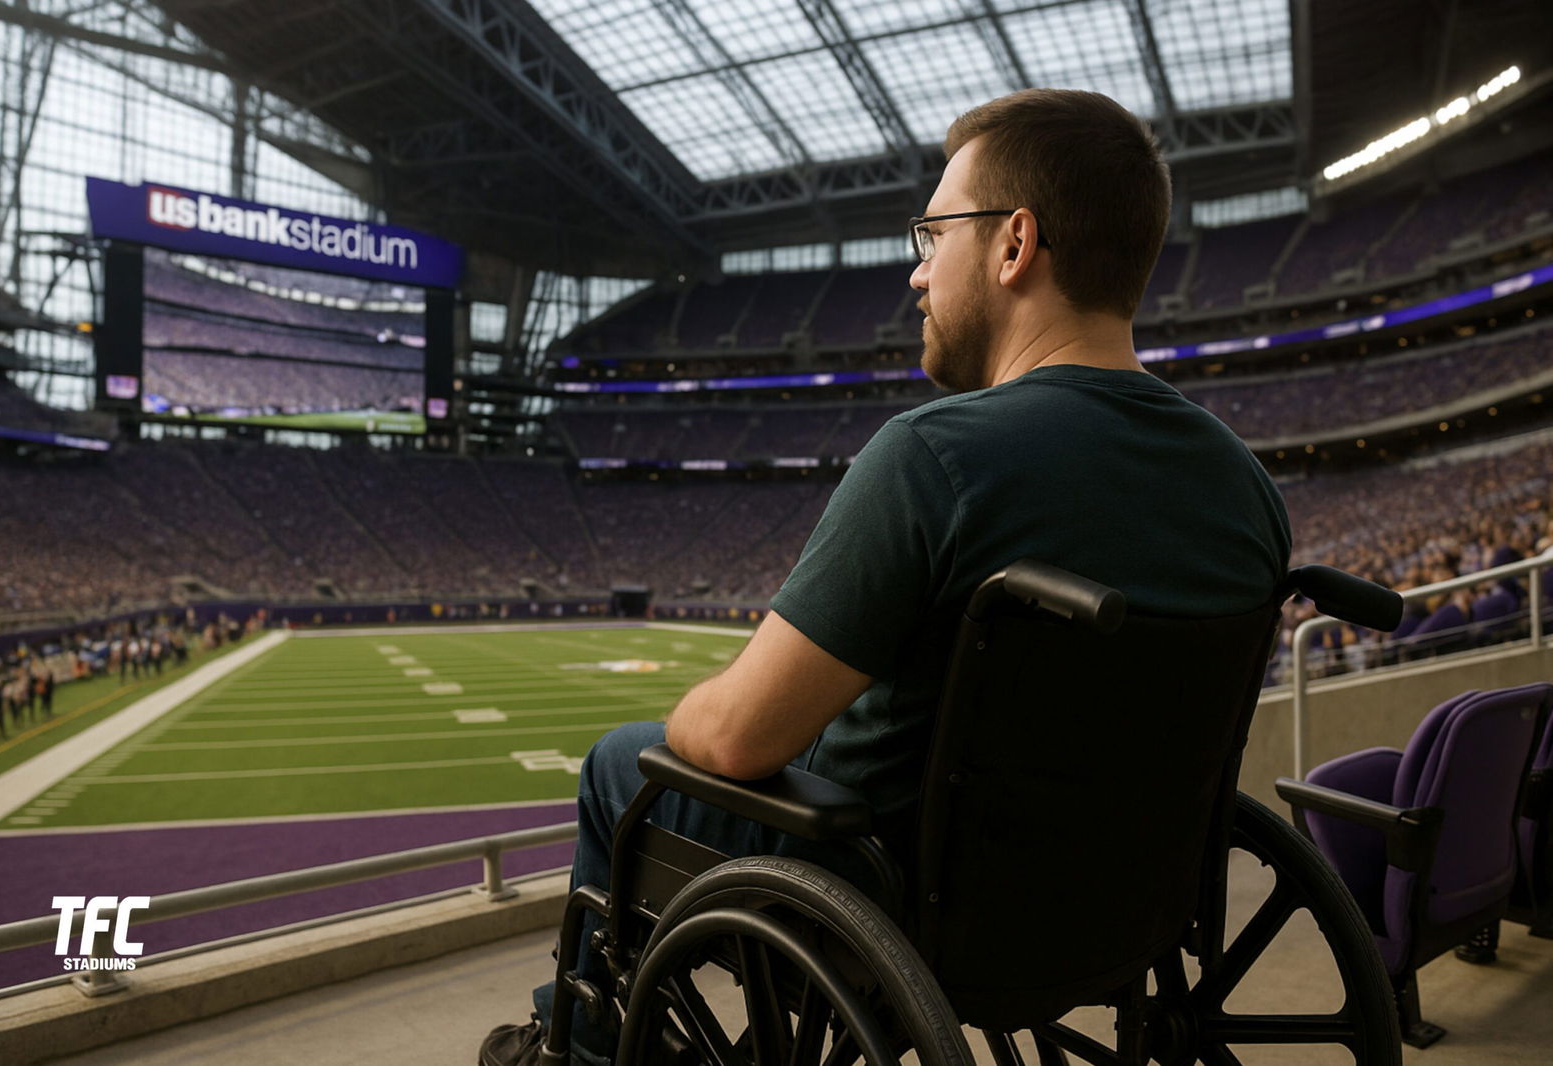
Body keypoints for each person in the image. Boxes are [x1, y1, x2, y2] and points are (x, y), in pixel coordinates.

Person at [478, 89, 1292, 1066]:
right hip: (1128, 905)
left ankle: (580, 1043)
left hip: (897, 900)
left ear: (1013, 244)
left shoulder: (935, 456)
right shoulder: (1244, 485)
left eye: (932, 232)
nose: (915, 271)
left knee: (624, 759)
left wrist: (697, 710)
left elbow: (737, 739)